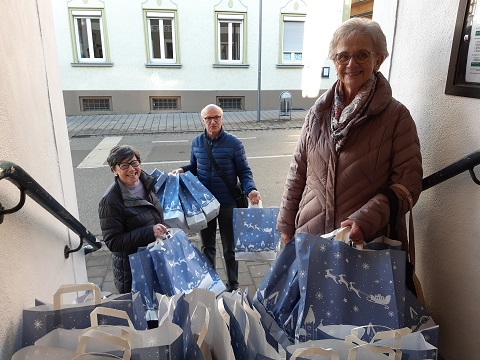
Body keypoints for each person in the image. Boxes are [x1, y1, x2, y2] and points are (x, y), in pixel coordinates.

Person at [277, 18, 422, 250]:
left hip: (365, 242)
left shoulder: (397, 117)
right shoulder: (317, 113)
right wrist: (286, 225)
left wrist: (364, 220)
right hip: (311, 237)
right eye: (343, 56)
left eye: (362, 55)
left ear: (378, 60)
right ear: (335, 62)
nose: (351, 63)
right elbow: (298, 172)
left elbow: (407, 184)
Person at [172, 104, 261, 292]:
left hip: (228, 203)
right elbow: (195, 167)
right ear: (202, 120)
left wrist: (250, 189)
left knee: (230, 248)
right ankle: (211, 284)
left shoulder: (234, 143)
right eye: (208, 118)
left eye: (216, 117)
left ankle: (233, 285)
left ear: (222, 118)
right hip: (205, 205)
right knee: (207, 247)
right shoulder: (197, 142)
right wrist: (183, 169)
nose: (213, 122)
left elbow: (244, 171)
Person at [99, 145, 168, 294]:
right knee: (143, 314)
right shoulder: (110, 200)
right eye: (124, 165)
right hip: (133, 271)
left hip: (154, 260)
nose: (131, 169)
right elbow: (113, 242)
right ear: (114, 170)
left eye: (134, 163)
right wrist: (150, 232)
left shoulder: (147, 182)